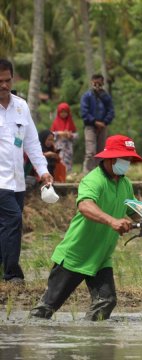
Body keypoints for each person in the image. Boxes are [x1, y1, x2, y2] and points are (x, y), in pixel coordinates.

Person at [30, 134, 142, 320]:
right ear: (112, 158)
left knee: (106, 301)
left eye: (130, 159)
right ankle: (31, 338)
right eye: (126, 158)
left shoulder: (125, 184)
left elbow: (135, 212)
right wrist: (112, 221)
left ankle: (91, 343)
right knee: (46, 309)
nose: (128, 163)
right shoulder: (93, 180)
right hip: (76, 254)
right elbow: (85, 206)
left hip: (100, 256)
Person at [0, 59, 54, 284]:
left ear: (12, 79)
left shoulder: (21, 106)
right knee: (13, 219)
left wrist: (43, 171)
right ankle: (12, 274)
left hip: (17, 181)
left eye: (7, 80)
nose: (3, 85)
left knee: (5, 225)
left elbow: (32, 143)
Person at [80, 74, 114, 173]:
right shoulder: (87, 96)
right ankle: (87, 173)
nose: (97, 85)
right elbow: (84, 112)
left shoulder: (106, 96)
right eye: (95, 83)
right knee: (90, 152)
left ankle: (100, 172)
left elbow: (111, 111)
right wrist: (95, 122)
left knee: (101, 152)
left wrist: (104, 122)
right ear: (91, 82)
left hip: (103, 126)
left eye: (99, 83)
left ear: (102, 83)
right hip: (90, 126)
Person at [51, 102, 78, 176]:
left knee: (68, 162)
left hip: (68, 148)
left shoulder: (70, 122)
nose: (63, 114)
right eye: (61, 112)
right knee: (59, 161)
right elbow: (51, 135)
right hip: (59, 146)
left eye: (65, 112)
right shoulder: (55, 122)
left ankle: (67, 176)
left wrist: (70, 135)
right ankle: (59, 176)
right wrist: (59, 133)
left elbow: (76, 135)